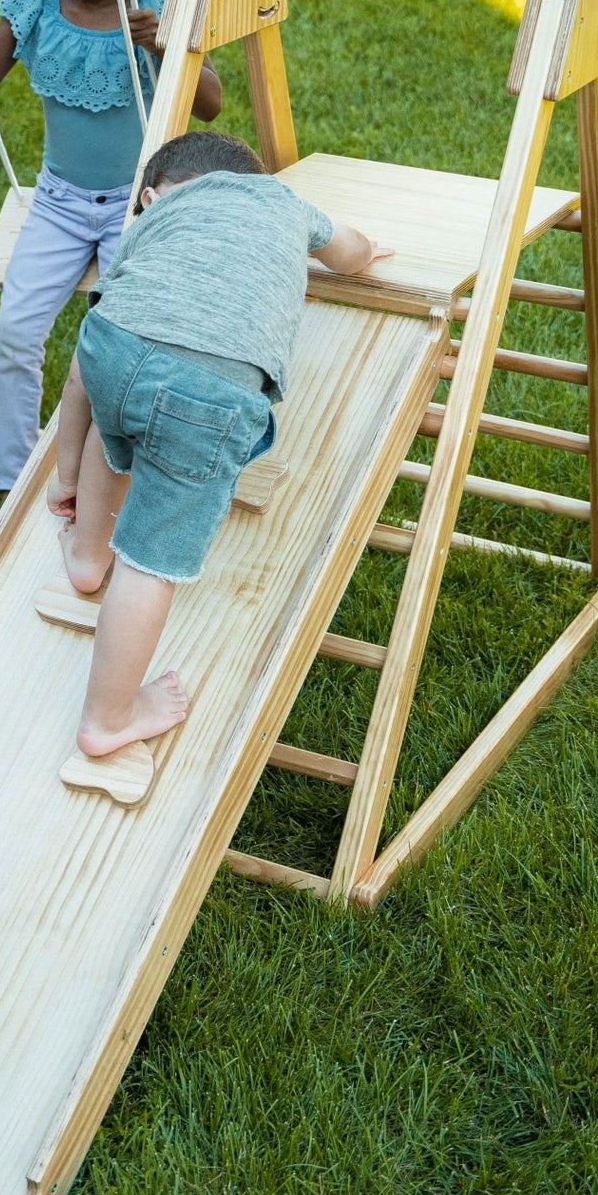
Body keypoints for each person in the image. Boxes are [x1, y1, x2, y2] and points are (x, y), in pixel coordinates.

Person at [45, 130, 392, 759]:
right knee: (152, 559)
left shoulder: (154, 221)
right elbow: (349, 252)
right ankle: (109, 718)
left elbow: (77, 379)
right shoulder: (283, 202)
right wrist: (367, 253)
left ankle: (87, 556)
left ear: (151, 195)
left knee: (110, 419)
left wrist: (63, 476)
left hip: (111, 346)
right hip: (210, 390)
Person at [0, 0, 224, 499]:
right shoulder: (37, 1)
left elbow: (211, 103)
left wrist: (165, 45)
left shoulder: (158, 1)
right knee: (15, 333)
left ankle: (109, 472)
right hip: (58, 203)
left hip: (139, 206)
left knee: (115, 345)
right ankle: (13, 479)